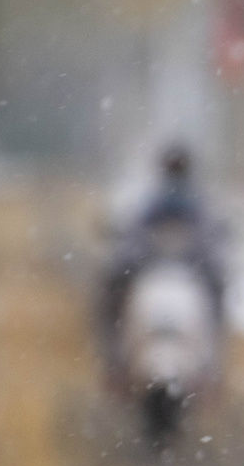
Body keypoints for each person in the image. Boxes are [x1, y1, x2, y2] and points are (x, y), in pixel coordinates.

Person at [97, 143, 228, 386]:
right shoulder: (193, 201)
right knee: (217, 297)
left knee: (111, 295)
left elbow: (131, 234)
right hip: (175, 269)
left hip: (164, 268)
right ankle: (213, 364)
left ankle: (115, 360)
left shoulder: (155, 199)